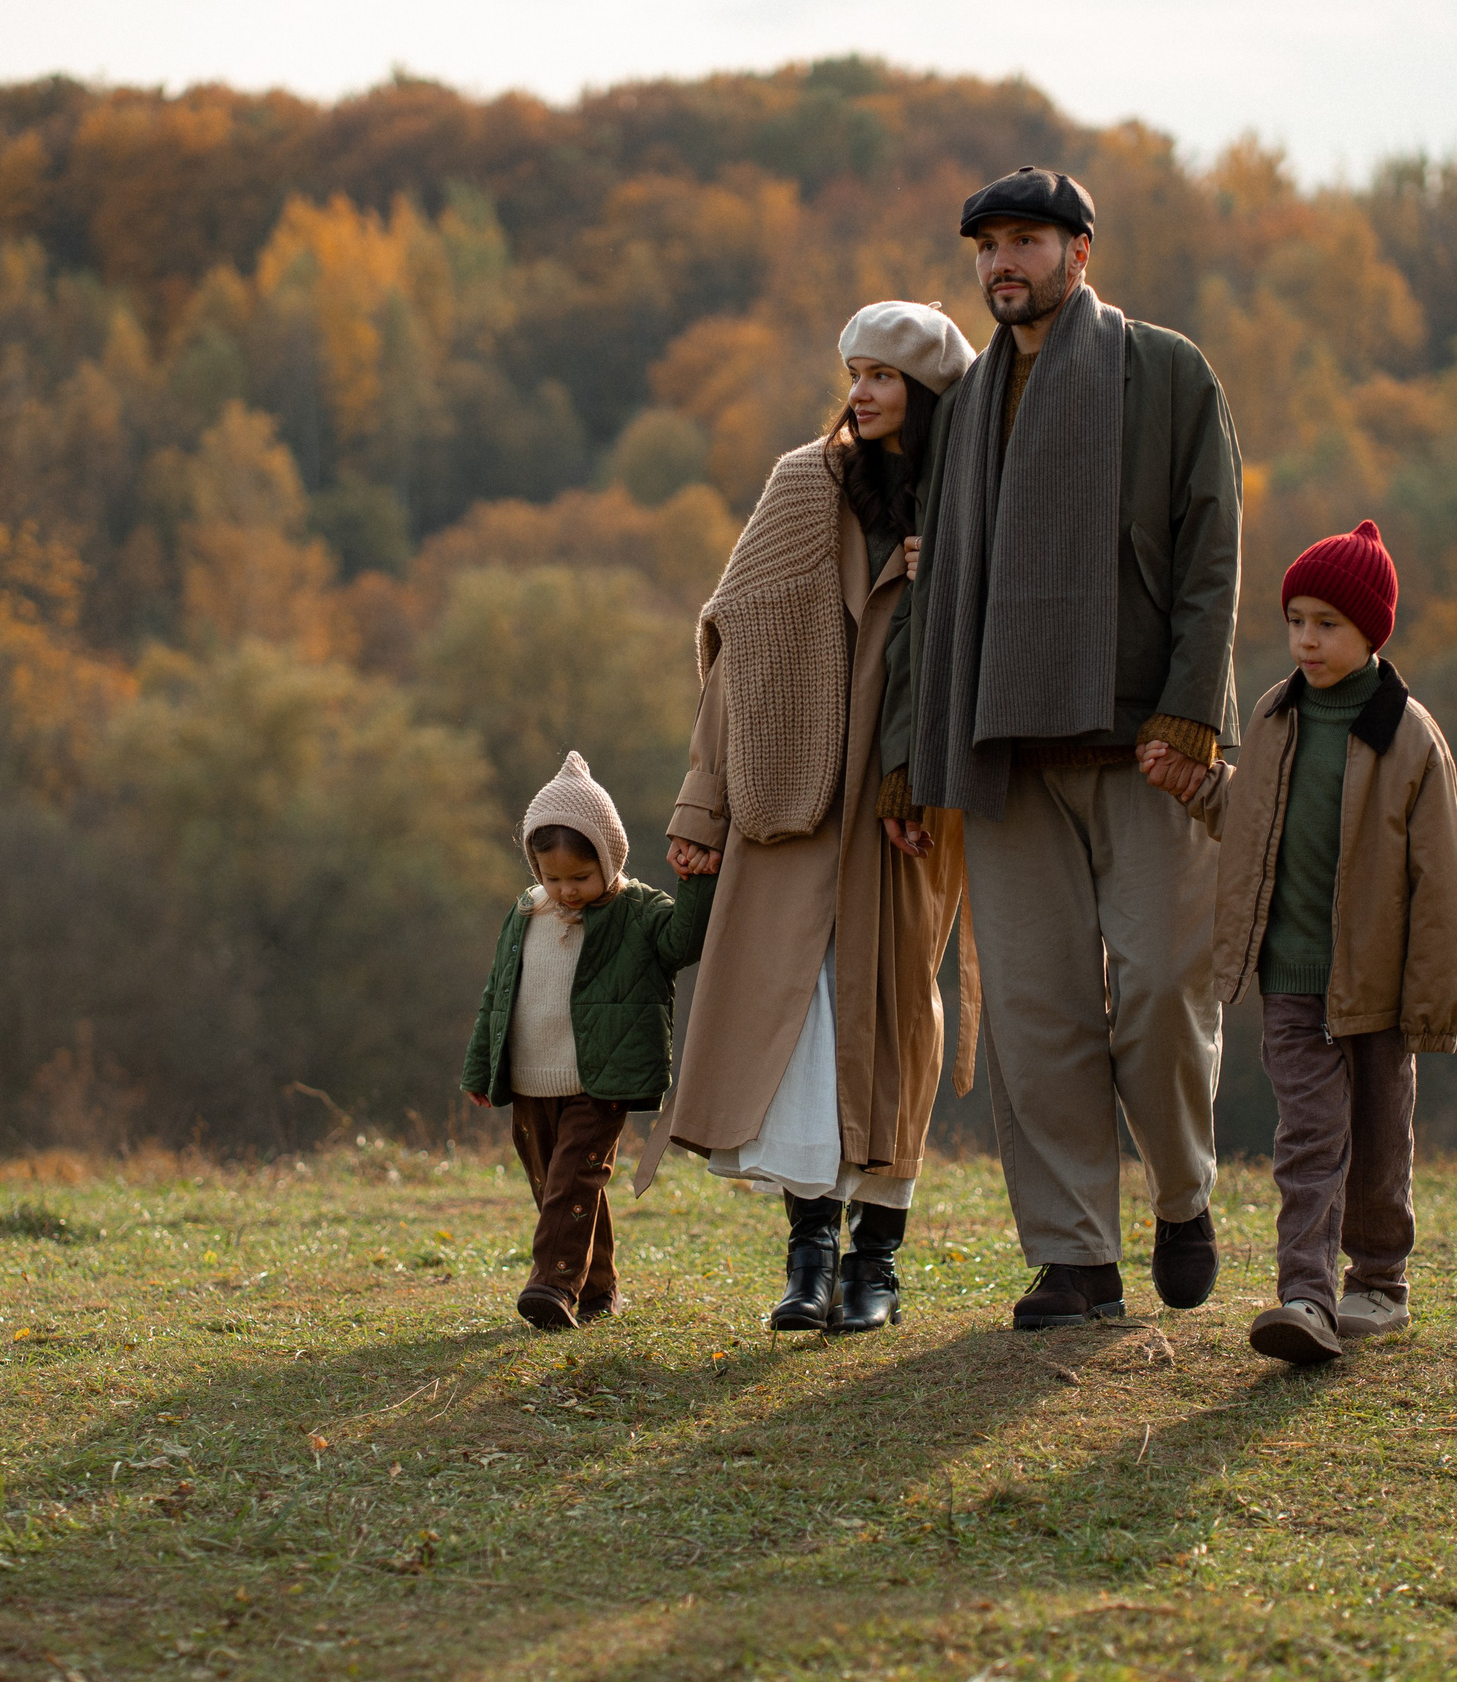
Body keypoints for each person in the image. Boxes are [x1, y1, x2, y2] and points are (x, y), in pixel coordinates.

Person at [879, 166, 1242, 1329]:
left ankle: (1182, 1195)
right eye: (988, 245)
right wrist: (909, 757)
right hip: (1004, 755)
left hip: (1145, 750)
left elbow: (1211, 553)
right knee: (1037, 1022)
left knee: (1160, 996)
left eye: (1028, 240)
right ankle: (1076, 1257)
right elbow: (931, 597)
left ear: (1080, 253)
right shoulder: (969, 406)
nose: (1004, 264)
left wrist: (1190, 715)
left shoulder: (1165, 372)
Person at [649, 300, 979, 1334]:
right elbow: (735, 653)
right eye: (856, 372)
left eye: (885, 376)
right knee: (801, 1022)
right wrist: (702, 805)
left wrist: (952, 584)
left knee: (892, 1025)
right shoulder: (804, 486)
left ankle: (877, 1257)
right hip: (791, 805)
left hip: (907, 813)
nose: (863, 392)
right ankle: (808, 1253)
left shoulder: (968, 499)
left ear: (929, 393)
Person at [1183, 521, 1457, 1364]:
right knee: (1308, 1135)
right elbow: (1252, 820)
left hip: (1374, 985)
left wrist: (1432, 1001)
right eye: (1296, 619)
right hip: (1290, 977)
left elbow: (1442, 886)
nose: (1306, 638)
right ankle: (1304, 1296)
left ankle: (1379, 1280)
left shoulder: (1408, 736)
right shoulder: (1275, 717)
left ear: (1371, 632)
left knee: (1379, 1134)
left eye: (1327, 624)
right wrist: (1199, 787)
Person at [462, 751, 714, 1332]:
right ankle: (598, 1290)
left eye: (580, 876)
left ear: (609, 858)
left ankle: (551, 1285)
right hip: (530, 1078)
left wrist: (695, 882)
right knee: (556, 1184)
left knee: (574, 1178)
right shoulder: (526, 912)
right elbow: (496, 995)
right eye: (552, 877)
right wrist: (481, 1068)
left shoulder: (639, 912)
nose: (567, 890)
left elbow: (685, 942)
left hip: (600, 1080)